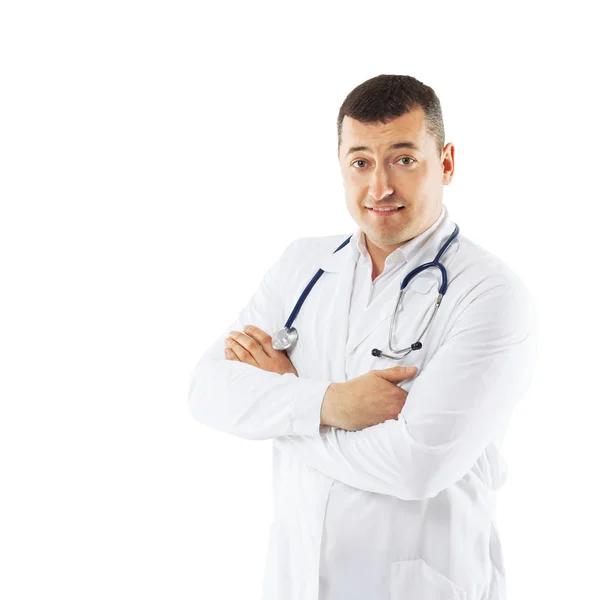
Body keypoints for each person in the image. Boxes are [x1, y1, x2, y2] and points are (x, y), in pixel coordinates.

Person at [187, 74, 538, 600]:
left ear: (444, 163)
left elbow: (417, 465)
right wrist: (332, 403)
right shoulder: (301, 266)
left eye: (403, 159)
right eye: (361, 162)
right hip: (294, 580)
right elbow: (208, 391)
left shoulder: (489, 293)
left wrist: (283, 405)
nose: (379, 188)